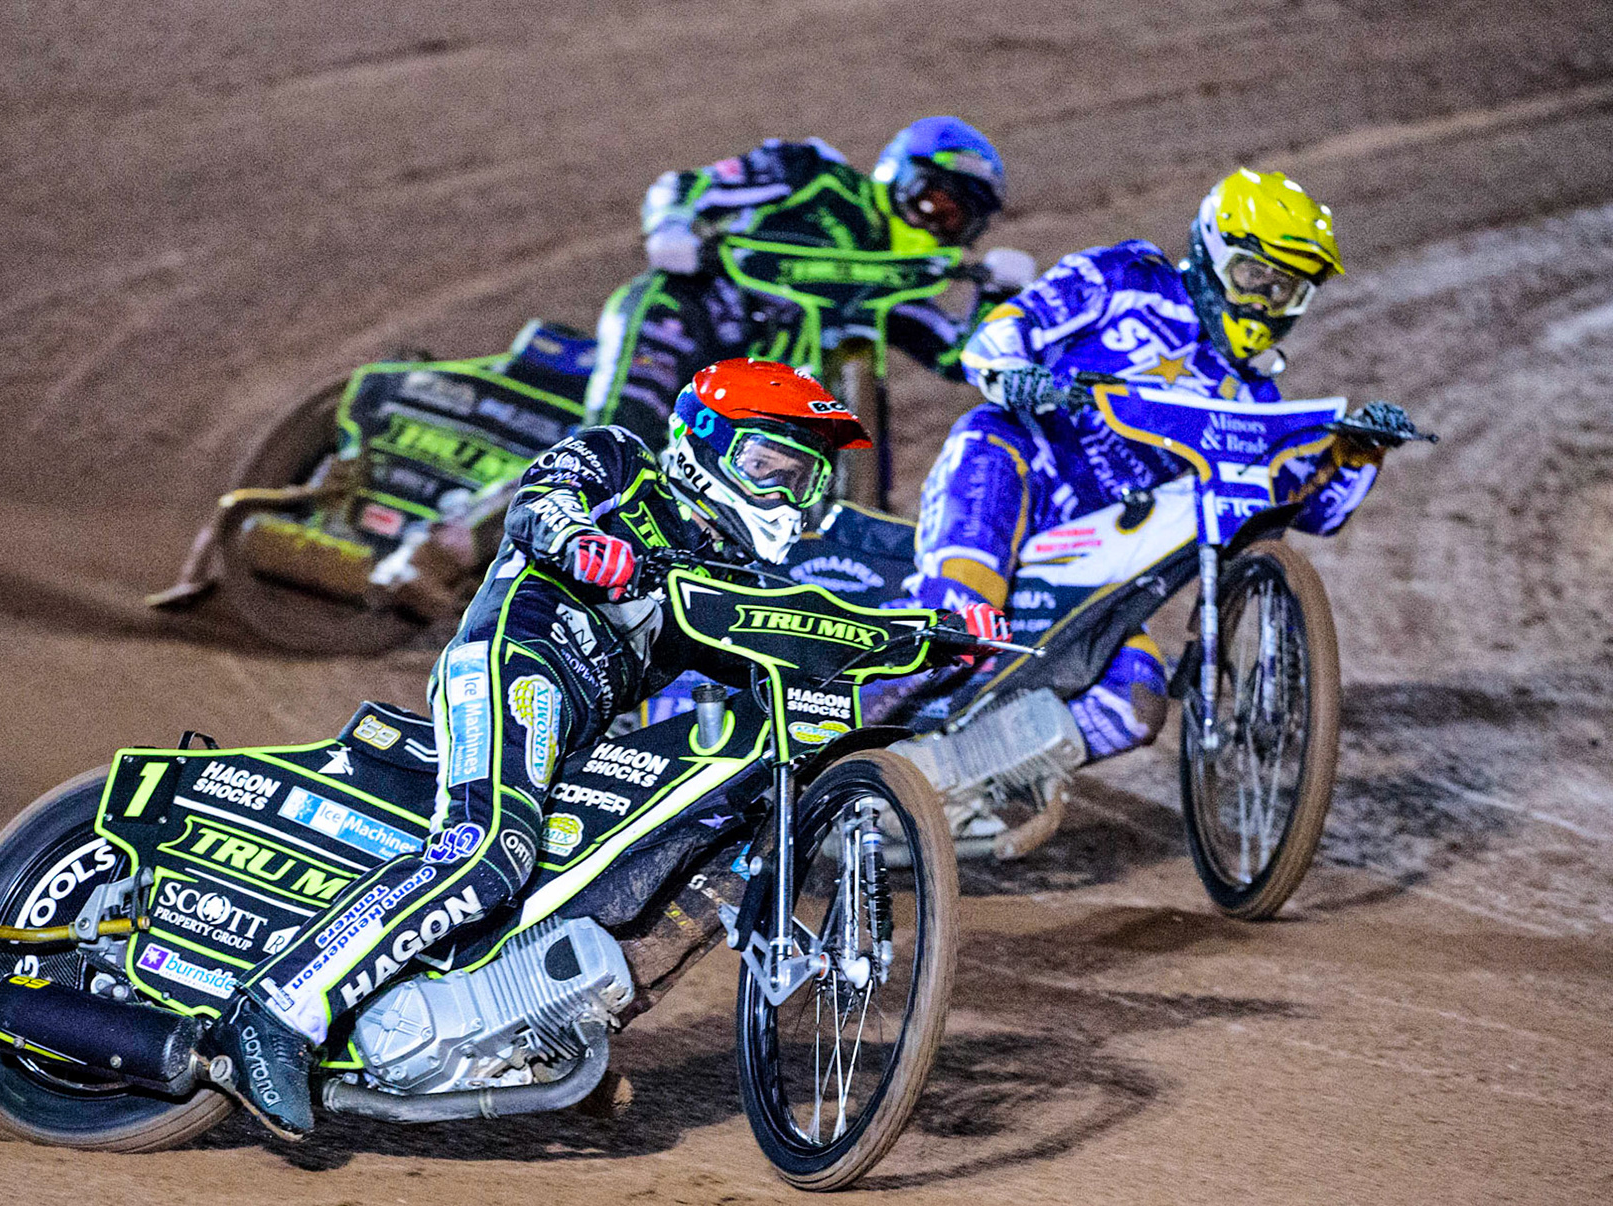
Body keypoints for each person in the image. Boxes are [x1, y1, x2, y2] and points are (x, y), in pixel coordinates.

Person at [208, 358, 1011, 1138]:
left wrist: (935, 639)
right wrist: (584, 541)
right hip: (515, 662)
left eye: (801, 479)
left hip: (589, 725)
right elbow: (540, 502)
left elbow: (807, 627)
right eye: (769, 466)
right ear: (704, 443)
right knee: (487, 852)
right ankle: (275, 1012)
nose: (784, 494)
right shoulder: (621, 460)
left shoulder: (728, 569)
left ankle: (522, 1031)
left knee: (654, 866)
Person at [907, 167, 1416, 759]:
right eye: (1253, 277)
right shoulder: (1126, 279)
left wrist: (1356, 450)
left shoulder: (1253, 401)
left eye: (1283, 290)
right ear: (1211, 254)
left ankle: (951, 786)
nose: (1262, 302)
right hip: (1012, 466)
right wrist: (1014, 372)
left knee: (1136, 702)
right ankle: (828, 742)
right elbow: (1015, 322)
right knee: (957, 627)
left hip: (1092, 556)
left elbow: (1311, 509)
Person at [584, 117, 1032, 446]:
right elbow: (683, 186)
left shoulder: (896, 290)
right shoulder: (812, 175)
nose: (937, 224)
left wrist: (999, 295)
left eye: (957, 221)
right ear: (901, 175)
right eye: (934, 203)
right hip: (691, 317)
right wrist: (672, 226)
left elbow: (961, 357)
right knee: (624, 436)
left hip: (752, 392)